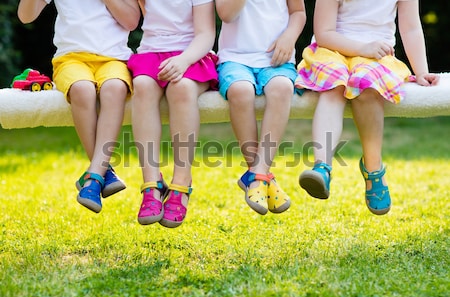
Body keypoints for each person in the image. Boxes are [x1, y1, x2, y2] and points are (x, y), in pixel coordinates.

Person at [295, 0, 440, 215]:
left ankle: (374, 168)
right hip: (332, 51)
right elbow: (324, 33)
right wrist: (362, 47)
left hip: (376, 57)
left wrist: (421, 71)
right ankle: (322, 167)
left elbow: (410, 28)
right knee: (333, 86)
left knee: (367, 86)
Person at [17, 0, 141, 213]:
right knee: (82, 89)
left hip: (115, 59)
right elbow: (25, 16)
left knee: (115, 88)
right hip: (70, 59)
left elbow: (131, 21)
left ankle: (94, 175)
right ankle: (101, 171)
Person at [127, 0, 218, 228]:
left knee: (182, 88)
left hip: (191, 55)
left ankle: (181, 182)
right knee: (143, 86)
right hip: (151, 54)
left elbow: (206, 34)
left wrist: (183, 60)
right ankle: (151, 182)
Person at [215, 0, 307, 215]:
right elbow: (226, 15)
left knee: (283, 88)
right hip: (235, 58)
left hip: (276, 58)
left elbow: (298, 12)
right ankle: (260, 175)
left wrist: (289, 37)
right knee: (240, 90)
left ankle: (258, 173)